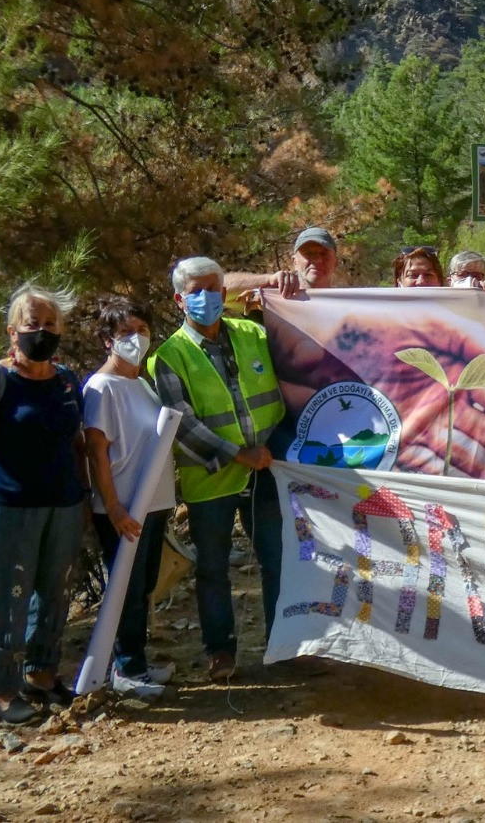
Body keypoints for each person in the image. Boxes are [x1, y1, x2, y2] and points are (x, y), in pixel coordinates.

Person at [0, 283, 87, 723]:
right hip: (5, 508)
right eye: (32, 324)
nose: (40, 332)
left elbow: (77, 442)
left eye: (49, 324)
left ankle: (42, 673)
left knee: (54, 596)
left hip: (61, 506)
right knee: (6, 600)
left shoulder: (66, 380)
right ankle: (5, 691)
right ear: (12, 332)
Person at [148, 257, 286, 682]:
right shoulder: (169, 356)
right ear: (179, 299)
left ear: (225, 295)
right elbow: (181, 421)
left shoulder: (255, 334)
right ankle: (220, 652)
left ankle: (285, 644)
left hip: (268, 470)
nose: (206, 297)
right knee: (213, 567)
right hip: (210, 478)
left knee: (276, 558)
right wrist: (237, 453)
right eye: (195, 290)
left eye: (213, 288)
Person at [83, 295, 178, 698]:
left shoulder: (142, 383)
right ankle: (125, 670)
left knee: (142, 588)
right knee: (125, 588)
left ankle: (137, 662)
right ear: (107, 339)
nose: (135, 339)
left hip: (153, 505)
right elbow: (97, 452)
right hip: (123, 510)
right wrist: (115, 507)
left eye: (141, 331)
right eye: (125, 333)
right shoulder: (101, 388)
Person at [226, 227, 340, 300]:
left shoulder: (347, 303)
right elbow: (217, 290)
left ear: (336, 262)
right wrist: (269, 280)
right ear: (294, 262)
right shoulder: (273, 299)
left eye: (324, 254)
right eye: (309, 254)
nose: (317, 260)